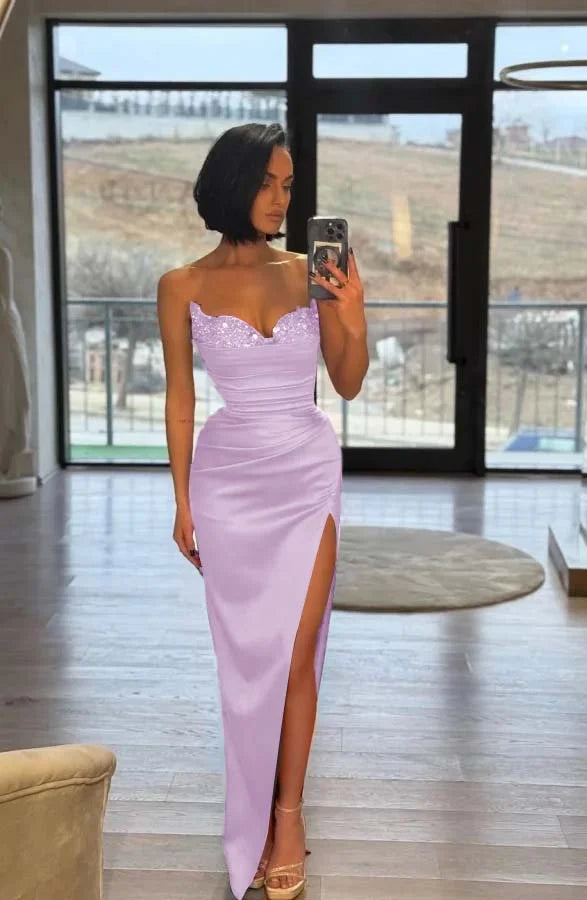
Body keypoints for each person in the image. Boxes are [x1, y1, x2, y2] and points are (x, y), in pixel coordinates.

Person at [156, 122, 368, 900]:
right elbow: (181, 401)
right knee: (248, 661)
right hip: (227, 481)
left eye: (289, 185)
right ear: (232, 184)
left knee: (300, 648)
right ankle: (251, 807)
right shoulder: (180, 284)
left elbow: (348, 381)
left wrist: (353, 310)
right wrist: (182, 499)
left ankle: (286, 818)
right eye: (269, 183)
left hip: (306, 471)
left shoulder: (312, 271)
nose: (282, 199)